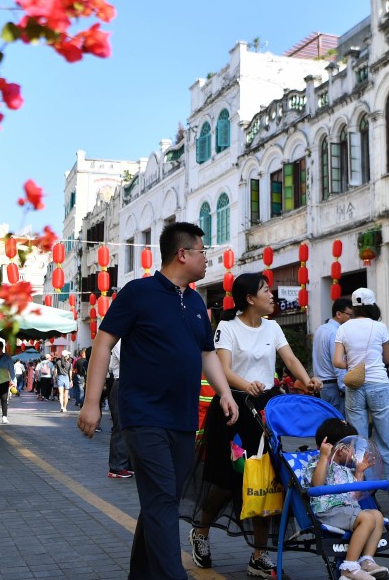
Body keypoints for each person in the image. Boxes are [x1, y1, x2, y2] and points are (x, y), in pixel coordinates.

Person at [77, 221, 238, 580]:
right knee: (163, 499)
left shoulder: (196, 302)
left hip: (182, 420)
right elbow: (103, 342)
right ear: (183, 254)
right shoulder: (138, 293)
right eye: (202, 251)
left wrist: (225, 393)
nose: (206, 257)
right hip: (143, 416)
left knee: (160, 501)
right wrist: (91, 402)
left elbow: (207, 354)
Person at [182, 272, 322, 578]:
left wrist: (306, 379)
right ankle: (201, 533)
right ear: (249, 299)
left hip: (264, 412)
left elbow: (290, 358)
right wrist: (248, 386)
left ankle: (259, 555)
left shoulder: (272, 327)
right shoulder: (227, 327)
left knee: (265, 480)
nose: (272, 296)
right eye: (265, 291)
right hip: (233, 409)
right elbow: (223, 368)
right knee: (225, 480)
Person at [334, 287, 389, 517]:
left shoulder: (343, 328)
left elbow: (337, 361)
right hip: (379, 385)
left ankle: (362, 504)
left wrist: (354, 365)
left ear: (353, 306)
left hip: (354, 386)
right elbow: (388, 359)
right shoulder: (379, 327)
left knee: (358, 445)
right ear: (372, 305)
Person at [304, 418, 389, 580]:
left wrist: (359, 473)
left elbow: (353, 496)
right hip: (329, 512)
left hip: (347, 510)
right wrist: (323, 457)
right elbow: (317, 483)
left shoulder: (345, 470)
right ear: (341, 449)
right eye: (351, 447)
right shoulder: (318, 464)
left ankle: (366, 561)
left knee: (376, 516)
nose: (353, 451)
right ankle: (349, 568)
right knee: (367, 519)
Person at [313, 298, 354, 417]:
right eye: (349, 315)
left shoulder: (321, 330)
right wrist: (344, 388)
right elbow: (338, 363)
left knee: (329, 425)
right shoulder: (336, 332)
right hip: (334, 386)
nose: (350, 318)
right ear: (338, 314)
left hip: (322, 385)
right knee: (338, 426)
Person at [107, 342, 134, 478]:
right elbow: (129, 358)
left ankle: (127, 464)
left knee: (131, 426)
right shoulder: (119, 341)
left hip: (131, 383)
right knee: (120, 426)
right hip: (121, 383)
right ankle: (117, 466)